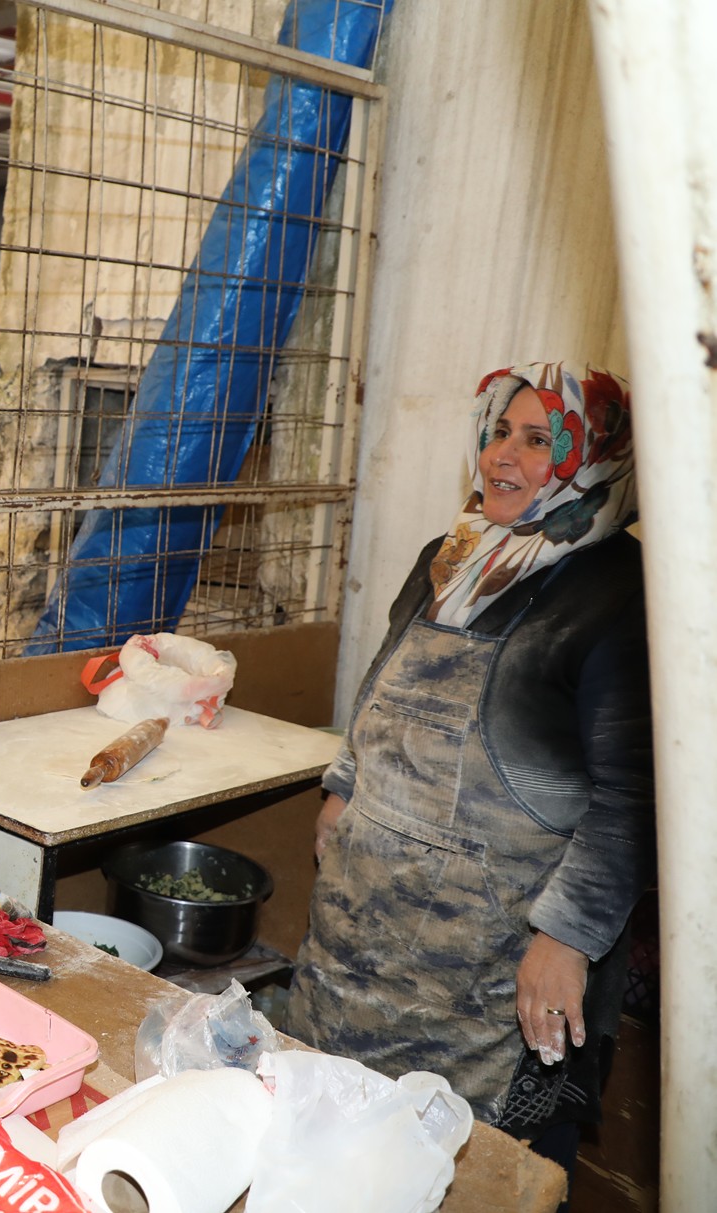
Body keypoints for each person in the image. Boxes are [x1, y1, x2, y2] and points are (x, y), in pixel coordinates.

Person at [285, 363, 651, 1197]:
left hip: (494, 965)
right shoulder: (449, 556)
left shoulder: (618, 590)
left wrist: (566, 939)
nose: (500, 456)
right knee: (328, 1158)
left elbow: (635, 797)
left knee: (469, 1175)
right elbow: (382, 683)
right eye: (497, 431)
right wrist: (343, 788)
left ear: (589, 458)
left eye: (535, 438)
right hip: (360, 940)